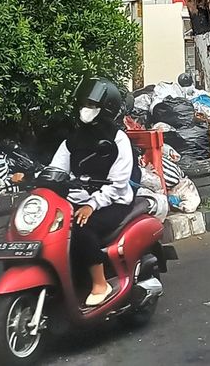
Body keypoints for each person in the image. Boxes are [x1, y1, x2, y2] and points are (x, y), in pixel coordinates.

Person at [49, 77, 135, 306]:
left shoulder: (119, 140)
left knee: (80, 226)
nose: (85, 110)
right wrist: (34, 177)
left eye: (92, 106)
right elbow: (57, 168)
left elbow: (118, 183)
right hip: (77, 199)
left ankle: (100, 283)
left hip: (113, 202)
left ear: (106, 108)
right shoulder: (73, 139)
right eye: (83, 105)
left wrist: (92, 205)